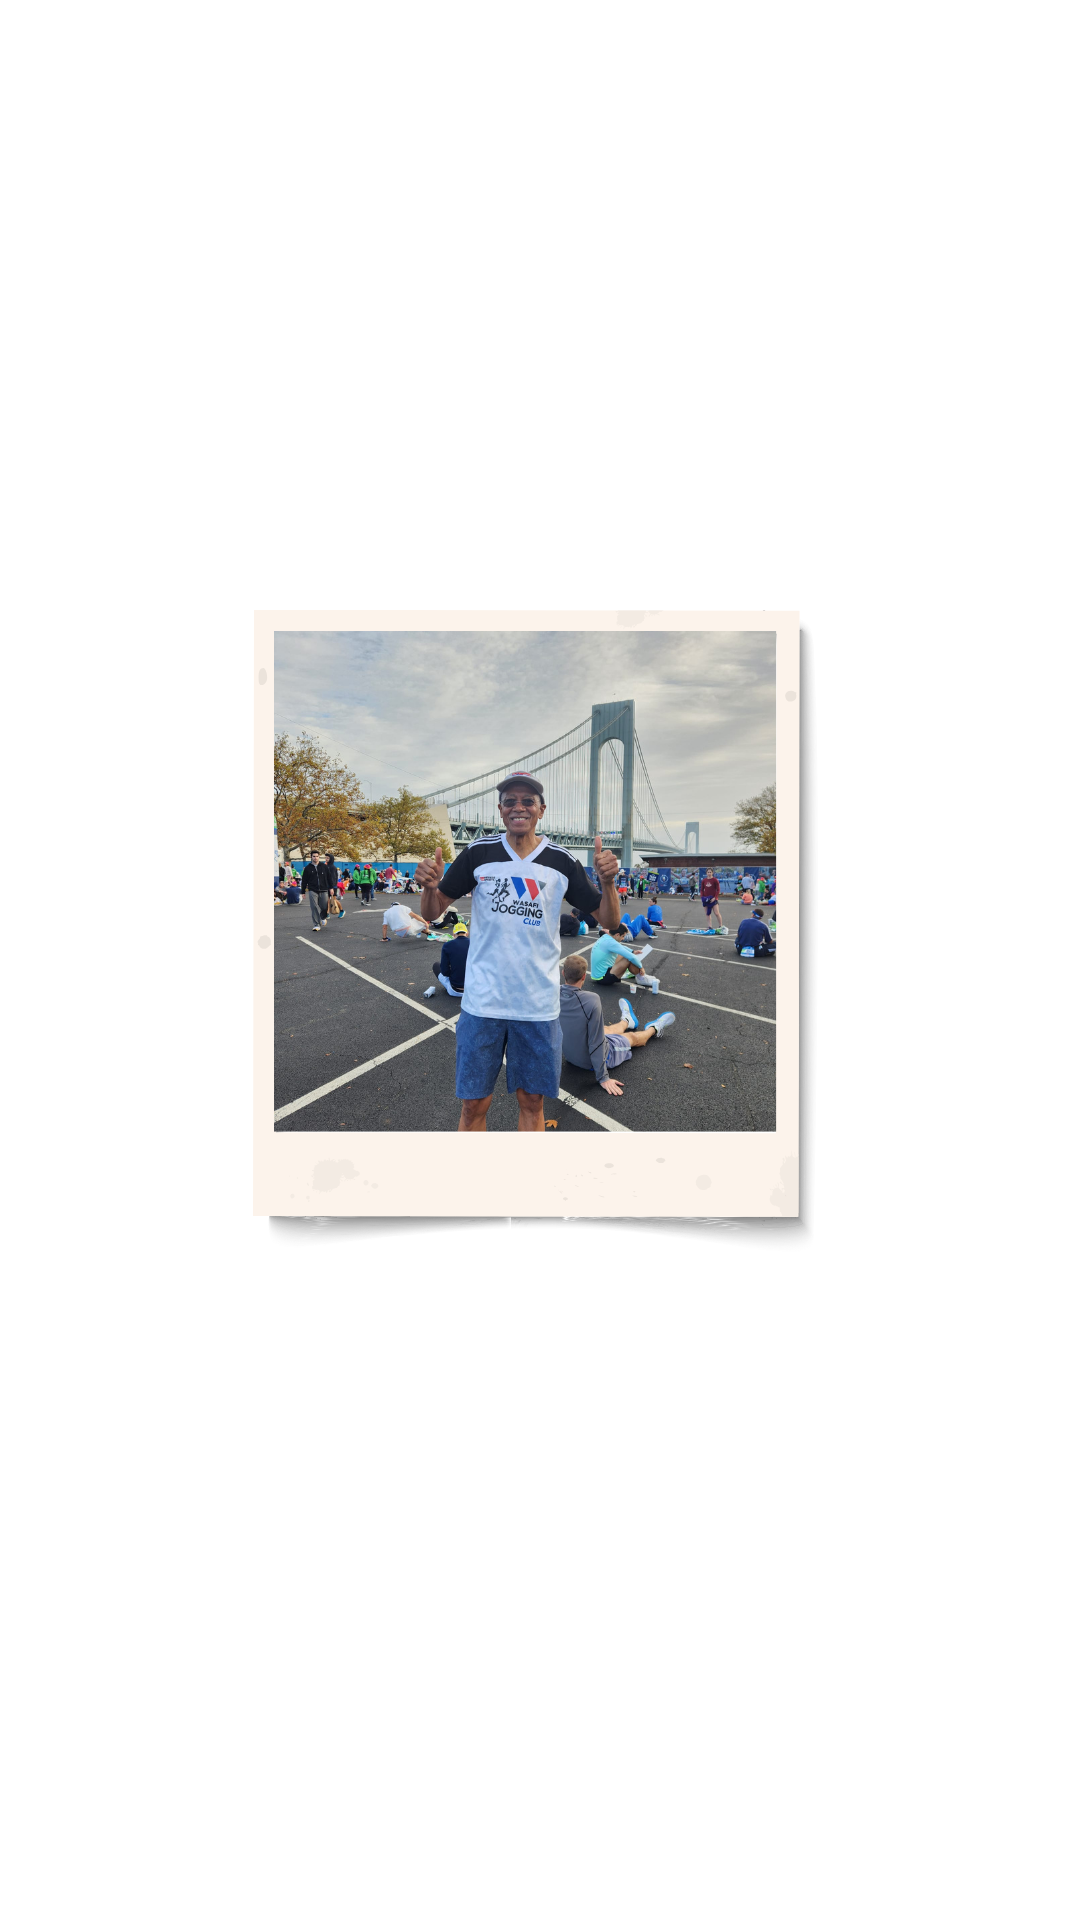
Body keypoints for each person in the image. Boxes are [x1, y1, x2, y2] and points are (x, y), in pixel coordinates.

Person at [414, 773, 621, 1132]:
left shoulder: (561, 861)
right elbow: (433, 912)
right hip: (482, 1004)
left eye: (528, 801)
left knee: (532, 1103)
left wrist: (608, 883)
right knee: (473, 1106)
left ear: (541, 809)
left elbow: (608, 918)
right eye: (510, 801)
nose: (518, 807)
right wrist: (430, 887)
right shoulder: (479, 853)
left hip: (537, 1006)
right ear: (500, 809)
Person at [558, 953, 675, 1095]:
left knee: (605, 1029)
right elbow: (596, 1042)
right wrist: (603, 1078)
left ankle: (627, 1021)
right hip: (592, 1061)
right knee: (633, 1038)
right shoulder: (591, 1000)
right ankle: (654, 1028)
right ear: (584, 976)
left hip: (571, 1056)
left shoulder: (553, 994)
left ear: (563, 973)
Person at [589, 923, 659, 993]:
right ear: (617, 935)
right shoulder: (611, 943)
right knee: (628, 958)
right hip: (603, 979)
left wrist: (633, 951)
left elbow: (621, 947)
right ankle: (642, 978)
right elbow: (632, 957)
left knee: (625, 954)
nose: (623, 939)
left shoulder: (606, 937)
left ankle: (639, 976)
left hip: (598, 976)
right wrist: (641, 968)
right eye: (623, 936)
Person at [423, 922, 470, 998]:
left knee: (436, 965)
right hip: (473, 990)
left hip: (455, 990)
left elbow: (445, 972)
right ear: (467, 933)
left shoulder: (447, 945)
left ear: (454, 934)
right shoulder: (474, 944)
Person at [300, 852, 330, 931]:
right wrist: (303, 892)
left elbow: (329, 877)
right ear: (311, 857)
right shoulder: (308, 868)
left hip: (324, 889)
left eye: (317, 856)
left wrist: (331, 888)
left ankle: (323, 917)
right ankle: (316, 924)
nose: (315, 858)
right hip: (313, 890)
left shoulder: (324, 866)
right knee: (314, 907)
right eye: (314, 856)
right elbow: (304, 881)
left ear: (319, 857)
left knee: (324, 906)